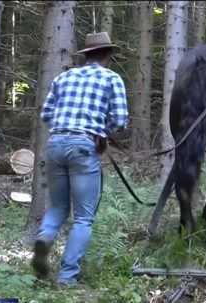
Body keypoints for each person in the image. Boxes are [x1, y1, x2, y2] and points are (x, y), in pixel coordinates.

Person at [31, 32, 128, 286]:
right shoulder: (111, 78)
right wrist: (99, 131)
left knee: (58, 207)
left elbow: (46, 114)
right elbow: (119, 121)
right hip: (84, 147)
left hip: (55, 144)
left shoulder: (64, 77)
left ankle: (45, 238)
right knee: (84, 217)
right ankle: (67, 276)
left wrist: (66, 129)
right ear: (108, 54)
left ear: (86, 55)